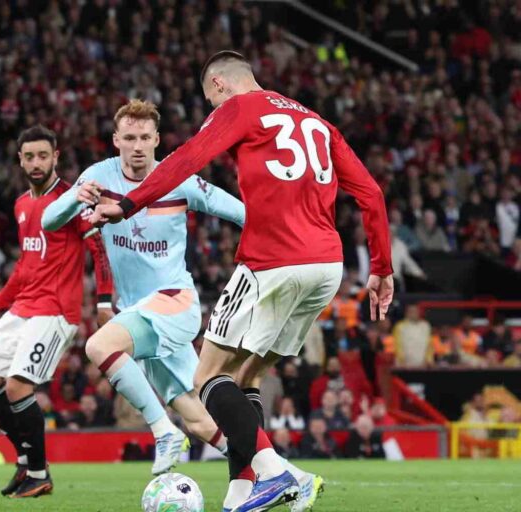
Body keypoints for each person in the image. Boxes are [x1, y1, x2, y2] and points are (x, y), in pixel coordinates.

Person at [91, 51, 394, 512]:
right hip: (327, 267)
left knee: (207, 375)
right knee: (245, 375)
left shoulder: (239, 108)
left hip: (272, 262)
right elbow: (370, 192)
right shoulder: (316, 120)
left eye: (209, 99)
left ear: (218, 85)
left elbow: (187, 158)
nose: (212, 110)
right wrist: (381, 266)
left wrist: (129, 204)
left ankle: (279, 473)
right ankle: (240, 491)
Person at [42, 99, 243, 474]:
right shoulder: (98, 178)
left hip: (174, 302)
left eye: (145, 137)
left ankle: (163, 432)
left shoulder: (178, 177)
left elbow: (237, 211)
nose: (137, 145)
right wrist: (74, 199)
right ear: (116, 140)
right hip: (138, 315)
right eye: (130, 137)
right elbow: (50, 221)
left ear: (157, 140)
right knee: (199, 421)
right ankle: (270, 469)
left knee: (99, 344)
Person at [0, 125, 113, 499]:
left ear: (56, 157)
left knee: (18, 386)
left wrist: (102, 302)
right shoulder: (21, 205)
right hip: (22, 306)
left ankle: (39, 474)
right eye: (29, 156)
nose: (36, 163)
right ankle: (24, 460)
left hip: (56, 312)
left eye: (43, 156)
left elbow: (98, 250)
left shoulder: (71, 200)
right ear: (20, 160)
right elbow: (24, 266)